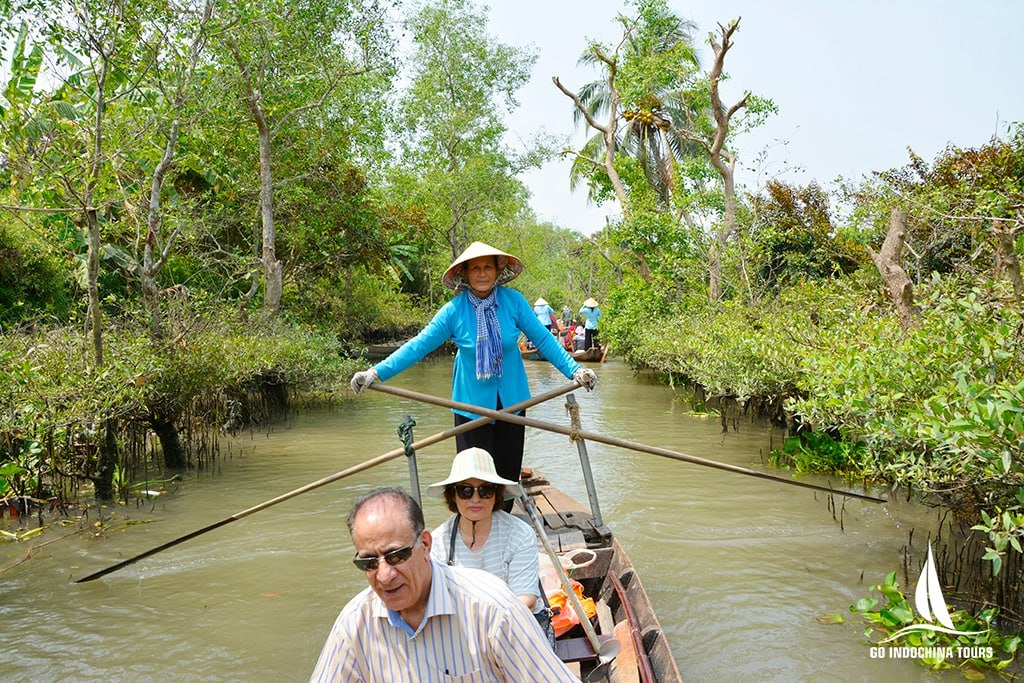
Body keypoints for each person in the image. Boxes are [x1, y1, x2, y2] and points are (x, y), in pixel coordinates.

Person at [350, 242, 597, 492]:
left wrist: (575, 370)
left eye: (488, 267)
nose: (482, 274)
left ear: (497, 271)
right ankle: (476, 526)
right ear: (465, 274)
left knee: (507, 476)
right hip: (470, 406)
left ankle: (506, 521)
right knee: (473, 480)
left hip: (514, 402)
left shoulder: (514, 302)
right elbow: (419, 346)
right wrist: (375, 372)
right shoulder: (454, 311)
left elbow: (544, 339)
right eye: (475, 268)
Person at [309, 487, 578, 682]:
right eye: (368, 562)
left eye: (396, 556)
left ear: (425, 545)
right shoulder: (355, 623)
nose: (384, 576)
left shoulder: (493, 608)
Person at [427, 448, 552, 641]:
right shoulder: (438, 542)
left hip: (518, 627)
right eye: (465, 490)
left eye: (485, 490)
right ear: (453, 495)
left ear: (496, 494)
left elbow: (525, 601)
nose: (475, 499)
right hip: (462, 631)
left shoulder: (519, 534)